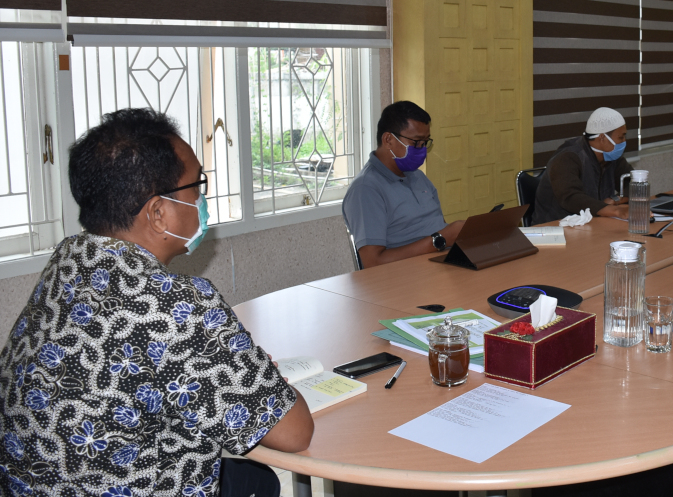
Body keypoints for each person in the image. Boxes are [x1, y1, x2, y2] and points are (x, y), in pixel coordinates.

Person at [0, 108, 313, 497]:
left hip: (40, 485)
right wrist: (263, 382)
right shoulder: (176, 304)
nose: (202, 199)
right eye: (197, 186)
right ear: (158, 213)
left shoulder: (66, 263)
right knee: (259, 483)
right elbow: (294, 432)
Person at [342, 101, 465, 268]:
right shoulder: (366, 189)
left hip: (441, 265)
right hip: (405, 278)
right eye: (416, 142)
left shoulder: (418, 177)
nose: (422, 150)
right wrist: (439, 240)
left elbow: (436, 226)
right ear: (388, 140)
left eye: (425, 143)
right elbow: (373, 262)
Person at [532, 107, 633, 224]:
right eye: (621, 137)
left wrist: (615, 201)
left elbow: (634, 184)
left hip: (593, 223)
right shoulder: (568, 157)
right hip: (556, 227)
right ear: (602, 138)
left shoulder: (611, 156)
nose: (624, 141)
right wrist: (615, 211)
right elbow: (571, 198)